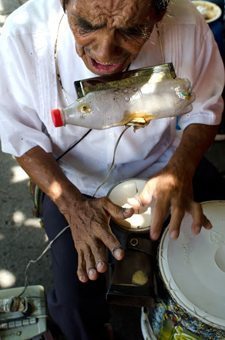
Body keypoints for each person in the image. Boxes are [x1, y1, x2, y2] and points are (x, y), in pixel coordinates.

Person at [0, 0, 224, 339]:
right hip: (71, 182)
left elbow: (205, 108)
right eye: (87, 26)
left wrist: (180, 169)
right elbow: (18, 132)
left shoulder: (188, 24)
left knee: (209, 252)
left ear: (158, 13)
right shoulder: (23, 33)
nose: (106, 52)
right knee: (74, 303)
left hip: (164, 164)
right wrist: (72, 206)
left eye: (132, 30)